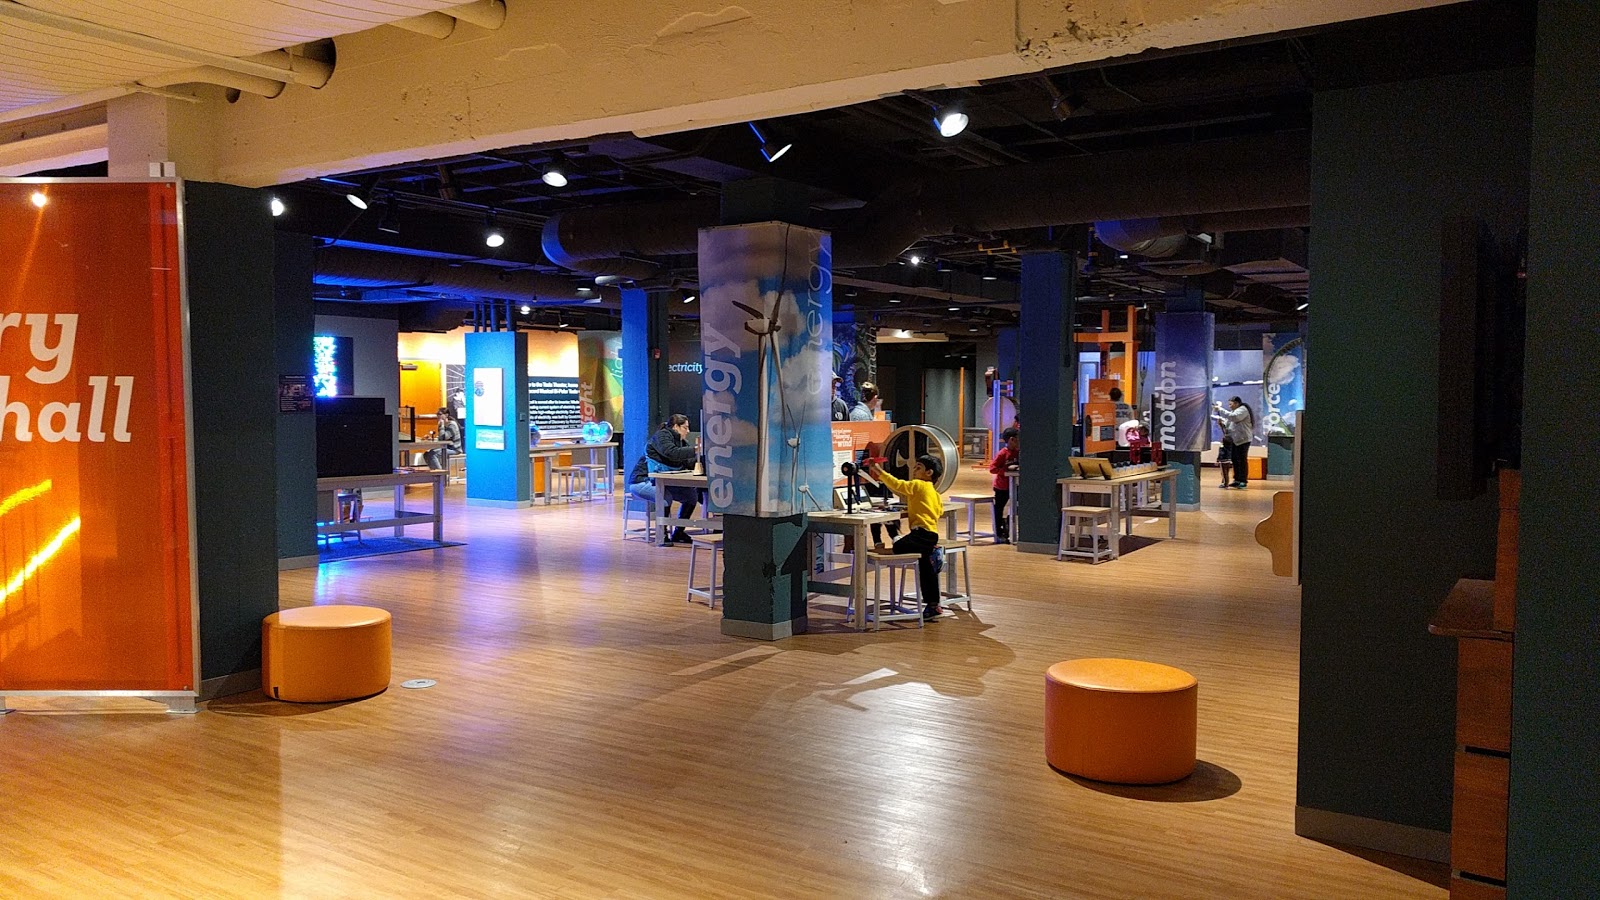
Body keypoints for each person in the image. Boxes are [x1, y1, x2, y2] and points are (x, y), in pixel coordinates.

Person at [866, 453, 946, 621]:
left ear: (929, 473)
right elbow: (939, 511)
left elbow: (898, 485)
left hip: (920, 534)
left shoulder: (918, 485)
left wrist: (878, 470)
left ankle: (892, 536)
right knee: (927, 570)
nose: (914, 470)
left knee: (899, 546)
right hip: (931, 534)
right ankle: (933, 605)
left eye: (918, 467)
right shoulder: (935, 493)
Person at [627, 413, 700, 543]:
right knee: (665, 497)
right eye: (685, 427)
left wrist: (701, 458)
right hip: (642, 481)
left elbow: (686, 461)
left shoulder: (682, 442)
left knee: (691, 496)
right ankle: (662, 534)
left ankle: (679, 533)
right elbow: (671, 453)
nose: (688, 431)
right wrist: (695, 450)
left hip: (661, 482)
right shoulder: (662, 436)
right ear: (676, 427)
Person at [1214, 396, 1256, 489]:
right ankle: (1237, 480)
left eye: (1231, 404)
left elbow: (1235, 417)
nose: (1229, 406)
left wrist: (1220, 409)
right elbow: (1230, 425)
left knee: (1242, 460)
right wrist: (1222, 424)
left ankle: (1243, 481)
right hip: (1235, 440)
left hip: (1243, 440)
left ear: (1237, 403)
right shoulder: (1234, 412)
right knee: (1235, 460)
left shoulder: (1243, 410)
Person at [988, 426, 1019, 544]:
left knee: (1016, 506)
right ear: (1011, 439)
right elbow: (992, 469)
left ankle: (1008, 526)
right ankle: (998, 532)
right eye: (1017, 439)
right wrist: (1005, 471)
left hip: (1014, 485)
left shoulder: (1017, 452)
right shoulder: (1002, 453)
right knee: (999, 509)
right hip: (1001, 486)